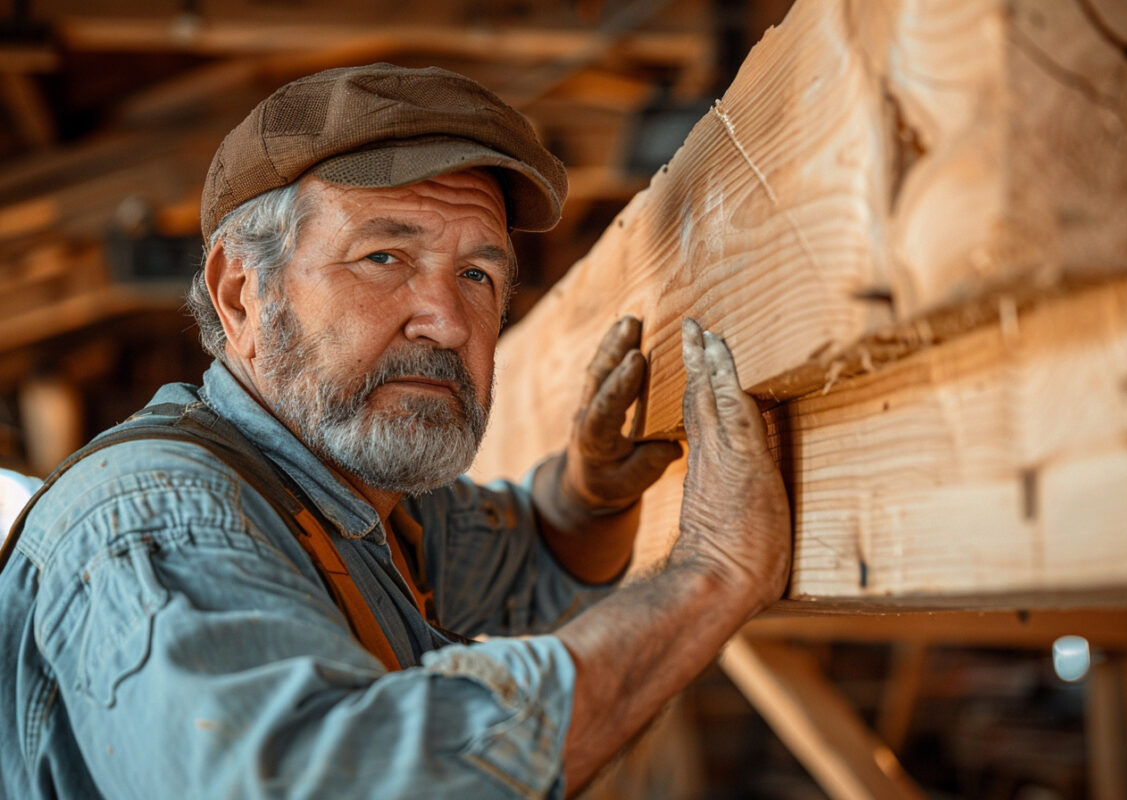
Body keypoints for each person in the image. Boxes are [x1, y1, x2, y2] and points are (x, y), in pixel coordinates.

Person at [0, 64, 791, 799]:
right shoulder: (164, 520)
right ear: (241, 295)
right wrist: (713, 575)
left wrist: (587, 495)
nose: (448, 322)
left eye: (478, 275)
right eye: (383, 256)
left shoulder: (352, 504)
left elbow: (528, 561)